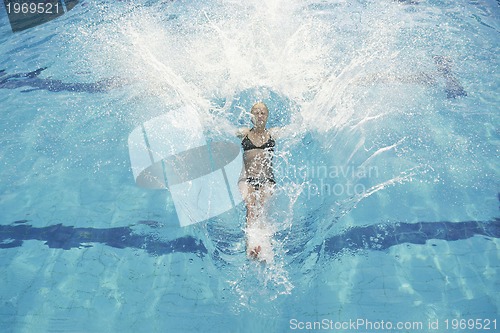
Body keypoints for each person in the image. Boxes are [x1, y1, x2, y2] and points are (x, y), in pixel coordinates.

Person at [236, 102, 279, 260]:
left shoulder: (273, 134)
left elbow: (295, 130)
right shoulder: (244, 133)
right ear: (251, 116)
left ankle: (264, 246)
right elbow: (220, 128)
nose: (260, 116)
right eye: (256, 113)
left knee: (262, 208)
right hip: (247, 180)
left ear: (267, 116)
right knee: (251, 208)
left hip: (267, 179)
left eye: (263, 113)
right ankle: (251, 246)